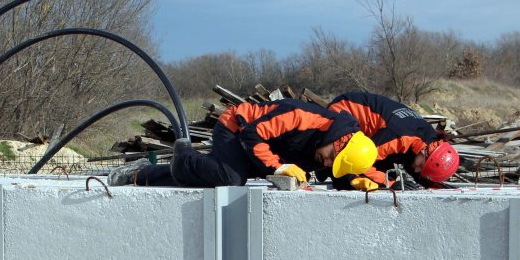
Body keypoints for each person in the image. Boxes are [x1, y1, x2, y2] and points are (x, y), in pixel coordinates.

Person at [107, 99, 377, 188]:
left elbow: (334, 170)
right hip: (237, 128)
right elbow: (252, 135)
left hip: (266, 149)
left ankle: (139, 174)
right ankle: (184, 156)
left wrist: (352, 181)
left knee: (211, 177)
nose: (327, 163)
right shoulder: (302, 117)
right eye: (332, 157)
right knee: (230, 178)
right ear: (339, 141)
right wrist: (278, 168)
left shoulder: (330, 145)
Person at [325, 91, 461, 190]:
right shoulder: (399, 136)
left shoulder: (428, 138)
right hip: (341, 112)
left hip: (370, 127)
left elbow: (411, 161)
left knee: (386, 174)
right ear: (426, 153)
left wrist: (434, 185)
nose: (416, 169)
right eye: (420, 166)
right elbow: (361, 160)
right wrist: (389, 184)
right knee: (352, 170)